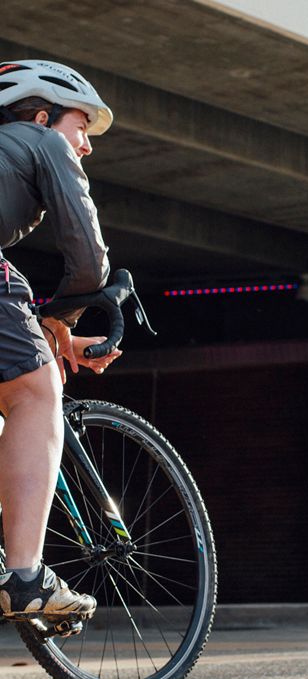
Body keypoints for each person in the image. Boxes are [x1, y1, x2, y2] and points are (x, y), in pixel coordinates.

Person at [0, 60, 121, 622]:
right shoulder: (42, 143)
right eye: (82, 126)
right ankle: (24, 577)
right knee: (34, 393)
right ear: (44, 116)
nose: (86, 145)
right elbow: (89, 258)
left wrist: (54, 328)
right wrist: (69, 312)